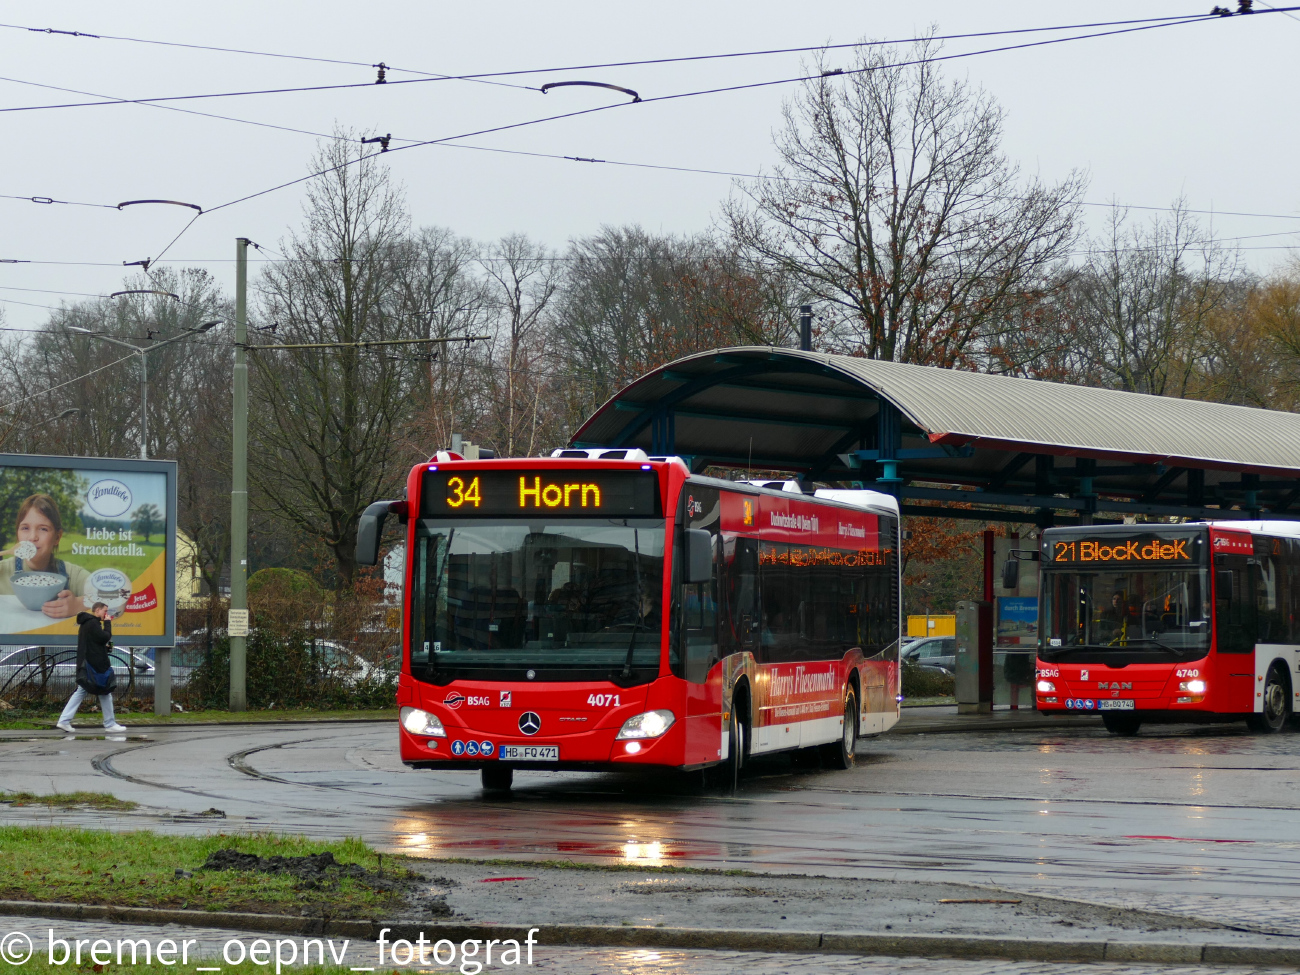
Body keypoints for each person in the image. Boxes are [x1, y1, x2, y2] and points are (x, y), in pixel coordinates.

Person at [0, 494, 90, 618]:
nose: (32, 537)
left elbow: (116, 593)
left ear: (57, 537)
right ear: (18, 533)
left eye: (43, 529)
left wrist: (79, 604)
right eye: (25, 528)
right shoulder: (2, 570)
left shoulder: (73, 575)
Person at [56, 601, 126, 733]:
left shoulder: (86, 624)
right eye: (105, 611)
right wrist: (108, 623)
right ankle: (110, 724)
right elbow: (105, 636)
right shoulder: (93, 623)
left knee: (84, 691)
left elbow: (95, 642)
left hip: (89, 663)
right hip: (95, 665)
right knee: (105, 691)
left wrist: (102, 646)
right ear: (97, 610)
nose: (106, 614)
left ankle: (64, 721)